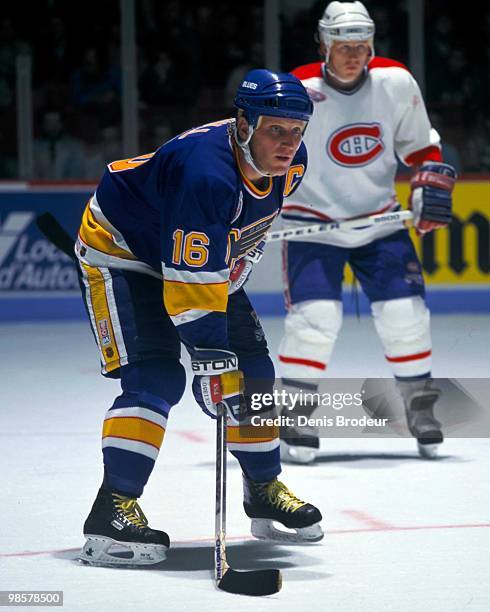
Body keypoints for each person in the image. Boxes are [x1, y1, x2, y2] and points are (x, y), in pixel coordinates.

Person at [75, 69, 323, 567]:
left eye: (297, 131)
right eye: (277, 130)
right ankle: (111, 510)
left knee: (254, 372)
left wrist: (230, 352)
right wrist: (211, 357)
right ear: (245, 123)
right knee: (156, 376)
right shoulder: (205, 173)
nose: (288, 143)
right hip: (122, 254)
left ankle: (263, 486)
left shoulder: (291, 163)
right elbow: (189, 288)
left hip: (196, 259)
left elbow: (239, 235)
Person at [277, 1, 456, 464]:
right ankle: (296, 416)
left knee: (405, 315)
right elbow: (265, 152)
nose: (353, 55)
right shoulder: (297, 88)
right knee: (315, 321)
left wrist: (426, 183)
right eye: (343, 47)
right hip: (311, 225)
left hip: (379, 221)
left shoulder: (395, 82)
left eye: (361, 46)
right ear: (323, 45)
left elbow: (421, 149)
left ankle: (421, 408)